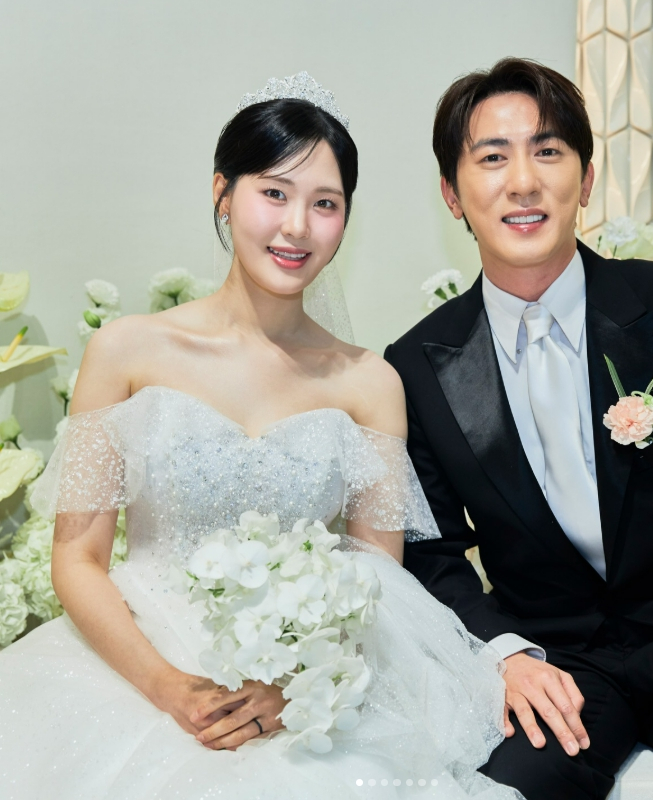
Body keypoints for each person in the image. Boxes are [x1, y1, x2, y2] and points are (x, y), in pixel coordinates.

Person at [0, 74, 522, 800]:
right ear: (223, 192)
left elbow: (378, 579)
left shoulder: (370, 384)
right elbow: (77, 558)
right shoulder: (125, 352)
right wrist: (170, 687)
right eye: (274, 193)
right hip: (139, 657)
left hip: (303, 682)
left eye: (325, 204)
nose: (297, 226)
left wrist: (302, 686)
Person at [385, 57, 653, 799]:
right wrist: (504, 653)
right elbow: (431, 551)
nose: (523, 181)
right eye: (492, 158)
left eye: (547, 151)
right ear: (452, 192)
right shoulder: (417, 365)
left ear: (586, 177)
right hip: (554, 664)